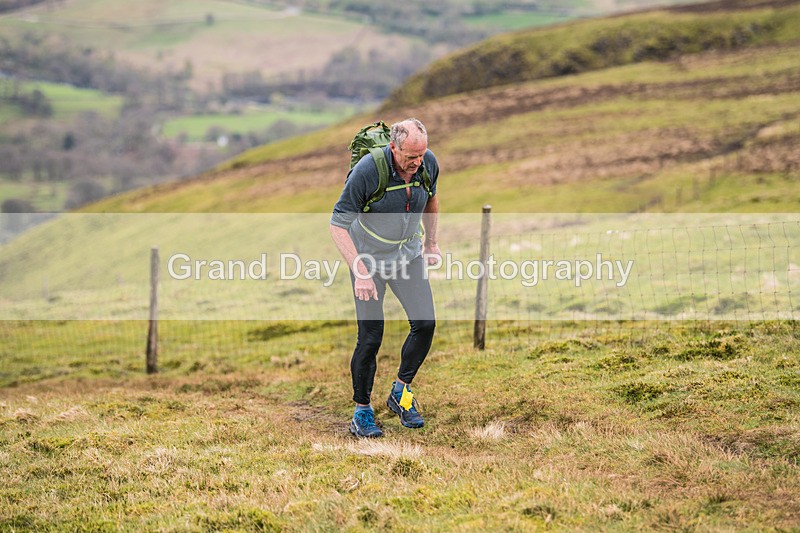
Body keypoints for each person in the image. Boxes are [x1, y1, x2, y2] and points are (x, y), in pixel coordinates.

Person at [330, 118, 441, 438]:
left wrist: (431, 242)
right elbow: (338, 225)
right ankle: (362, 411)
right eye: (410, 157)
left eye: (421, 155)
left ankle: (401, 393)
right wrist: (360, 271)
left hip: (407, 255)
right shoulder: (368, 171)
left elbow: (431, 199)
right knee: (370, 337)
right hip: (368, 260)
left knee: (426, 324)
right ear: (393, 147)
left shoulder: (427, 163)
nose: (417, 163)